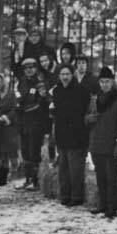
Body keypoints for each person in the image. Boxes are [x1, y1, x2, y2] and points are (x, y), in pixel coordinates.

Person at [86, 66, 117, 218]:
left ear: (113, 82)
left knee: (111, 178)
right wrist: (88, 119)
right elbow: (87, 118)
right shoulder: (95, 100)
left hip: (111, 145)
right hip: (97, 143)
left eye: (107, 81)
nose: (104, 84)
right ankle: (102, 204)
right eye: (102, 81)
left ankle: (112, 207)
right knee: (100, 177)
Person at [51, 63, 90, 206]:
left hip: (77, 134)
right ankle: (65, 195)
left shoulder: (81, 90)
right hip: (62, 134)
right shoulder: (57, 91)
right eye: (62, 74)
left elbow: (83, 110)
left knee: (76, 168)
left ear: (72, 75)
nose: (65, 77)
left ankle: (76, 196)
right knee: (63, 168)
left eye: (67, 74)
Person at [16, 57, 49, 190]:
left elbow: (41, 102)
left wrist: (25, 108)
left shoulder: (39, 83)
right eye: (26, 69)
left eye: (31, 68)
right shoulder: (21, 82)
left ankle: (36, 181)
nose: (29, 70)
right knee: (25, 151)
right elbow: (18, 99)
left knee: (34, 151)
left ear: (35, 69)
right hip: (23, 122)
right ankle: (28, 178)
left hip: (35, 122)